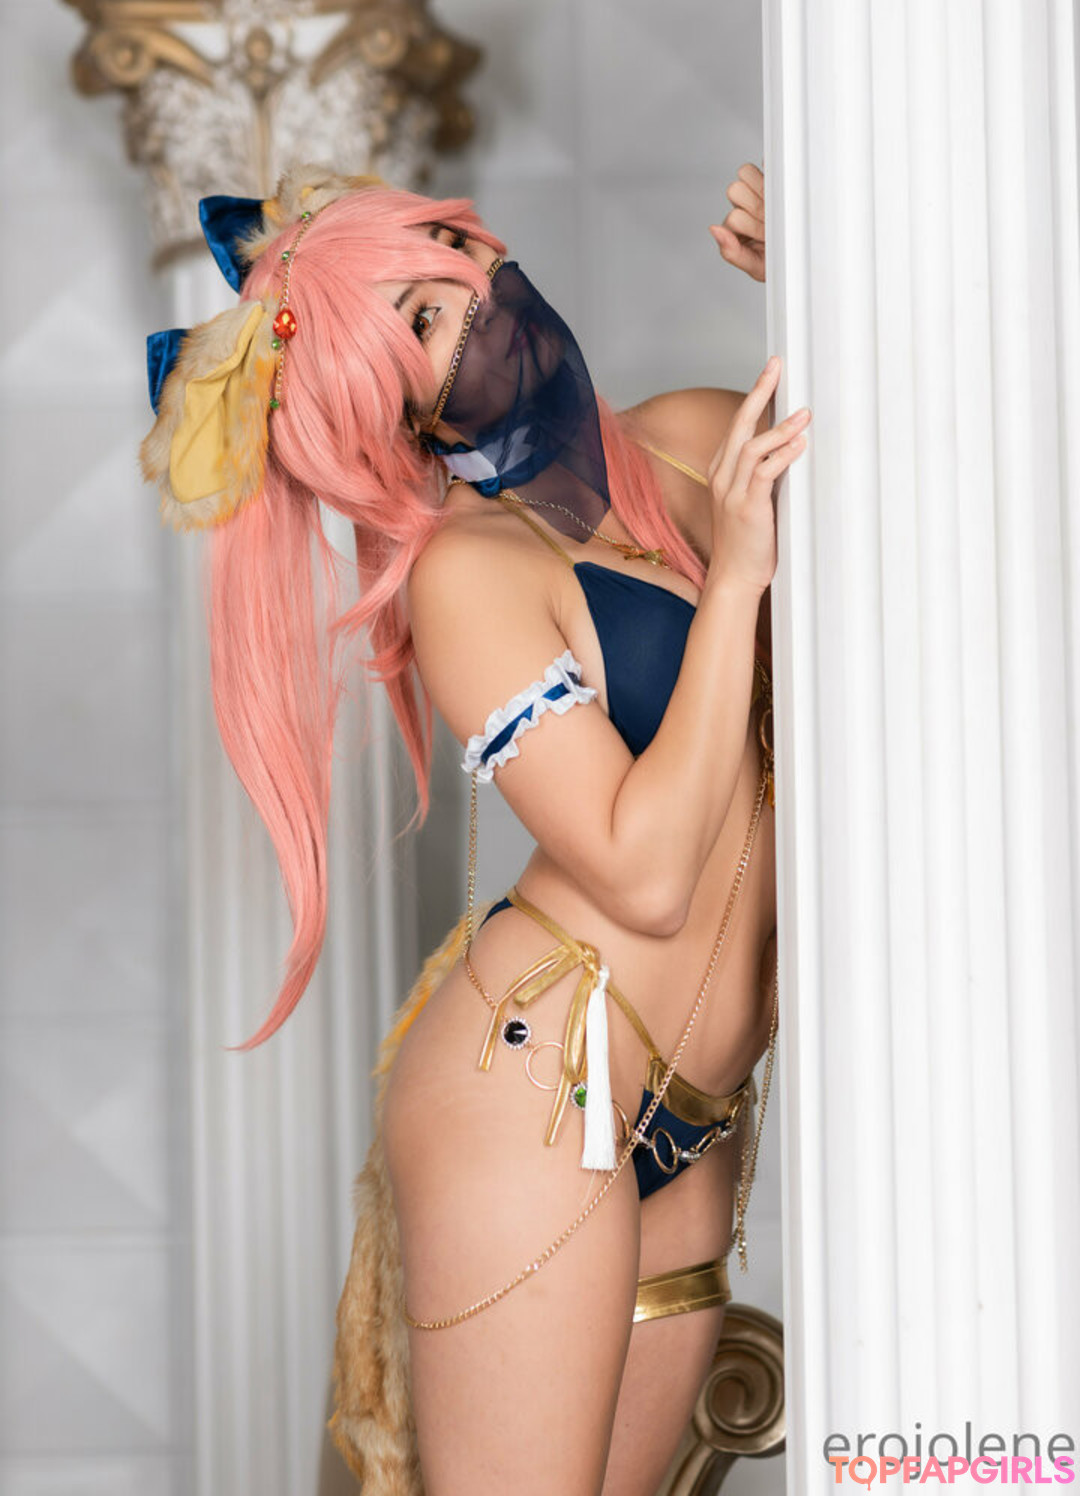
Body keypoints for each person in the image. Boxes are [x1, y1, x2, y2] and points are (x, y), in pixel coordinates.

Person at [140, 161, 809, 1496]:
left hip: (694, 1108)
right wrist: (734, 580)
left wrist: (818, 282)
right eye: (423, 317)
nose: (474, 288)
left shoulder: (692, 440)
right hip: (536, 1091)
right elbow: (646, 875)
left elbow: (941, 512)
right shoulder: (467, 573)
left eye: (448, 252)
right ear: (398, 415)